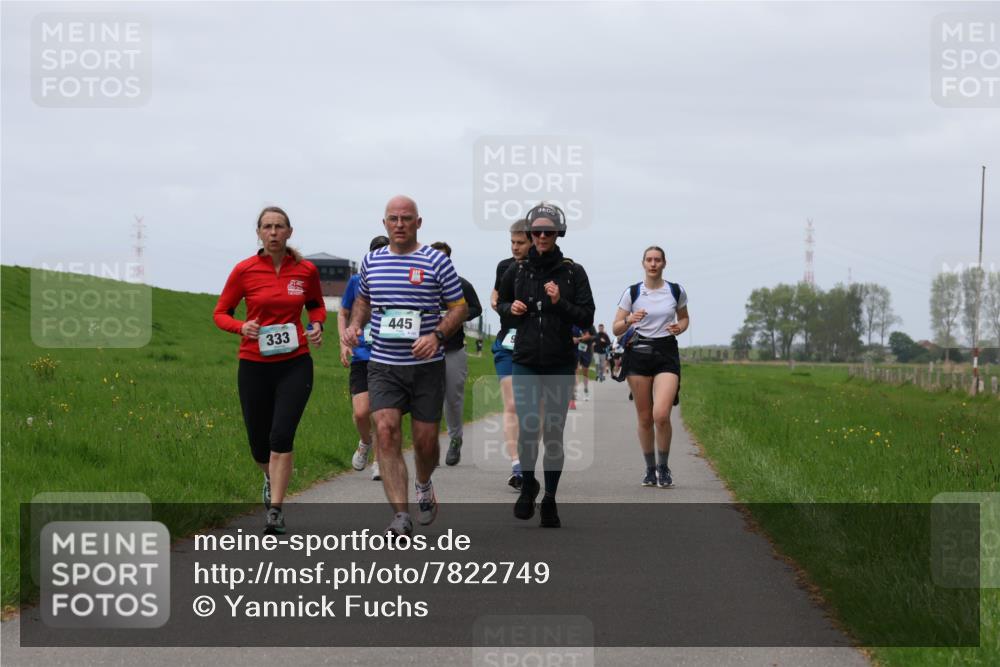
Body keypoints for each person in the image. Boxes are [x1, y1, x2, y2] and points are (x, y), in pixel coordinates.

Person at [340, 196, 468, 538]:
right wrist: (354, 326)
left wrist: (437, 335)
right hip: (383, 364)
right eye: (393, 219)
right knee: (385, 431)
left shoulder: (436, 262)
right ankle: (400, 516)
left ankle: (424, 483)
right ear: (384, 224)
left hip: (426, 366)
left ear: (418, 223)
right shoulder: (371, 261)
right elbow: (364, 300)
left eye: (406, 219)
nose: (399, 224)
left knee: (426, 441)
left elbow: (459, 307)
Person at [213, 206, 326, 534]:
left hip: (295, 363)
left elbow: (316, 305)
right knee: (259, 445)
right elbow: (220, 312)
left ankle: (275, 509)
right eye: (267, 227)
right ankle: (268, 475)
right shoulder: (244, 270)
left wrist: (316, 324)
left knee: (281, 436)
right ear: (259, 233)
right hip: (254, 365)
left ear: (290, 232)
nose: (274, 232)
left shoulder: (305, 271)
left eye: (279, 227)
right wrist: (241, 327)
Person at [497, 203, 595, 528]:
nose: (541, 236)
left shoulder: (572, 272)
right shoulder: (519, 270)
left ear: (558, 234)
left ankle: (550, 498)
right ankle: (528, 484)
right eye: (536, 232)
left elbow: (586, 316)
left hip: (558, 363)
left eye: (548, 232)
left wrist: (559, 303)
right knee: (528, 428)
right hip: (524, 359)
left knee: (552, 433)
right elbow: (501, 305)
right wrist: (514, 308)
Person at [612, 246, 689, 489]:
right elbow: (616, 328)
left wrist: (680, 327)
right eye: (649, 260)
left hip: (666, 352)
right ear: (643, 263)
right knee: (645, 418)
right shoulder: (632, 292)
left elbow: (685, 317)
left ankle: (664, 467)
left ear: (664, 263)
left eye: (657, 260)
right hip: (639, 352)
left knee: (661, 415)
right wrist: (629, 320)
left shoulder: (675, 290)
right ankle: (650, 468)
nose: (653, 264)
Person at [339, 235, 390, 481]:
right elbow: (343, 312)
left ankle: (380, 462)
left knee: (380, 412)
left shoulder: (397, 281)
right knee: (361, 413)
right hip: (361, 355)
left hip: (387, 356)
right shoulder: (356, 282)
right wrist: (343, 341)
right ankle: (364, 441)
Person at [429, 241, 483, 466]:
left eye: (444, 259)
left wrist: (458, 315)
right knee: (428, 401)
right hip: (427, 352)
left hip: (453, 350)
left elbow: (477, 308)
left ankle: (455, 440)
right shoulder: (423, 284)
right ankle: (429, 445)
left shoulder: (461, 285)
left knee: (452, 399)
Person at [490, 220, 532, 489]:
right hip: (508, 343)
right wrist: (502, 306)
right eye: (512, 243)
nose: (516, 248)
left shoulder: (549, 270)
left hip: (537, 346)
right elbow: (496, 298)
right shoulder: (505, 267)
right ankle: (517, 466)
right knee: (513, 405)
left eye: (521, 243)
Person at [572, 324, 597, 405]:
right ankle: (574, 392)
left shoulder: (588, 323)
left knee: (585, 372)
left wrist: (582, 338)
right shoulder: (572, 323)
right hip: (575, 350)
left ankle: (586, 390)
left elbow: (594, 336)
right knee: (575, 370)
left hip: (586, 350)